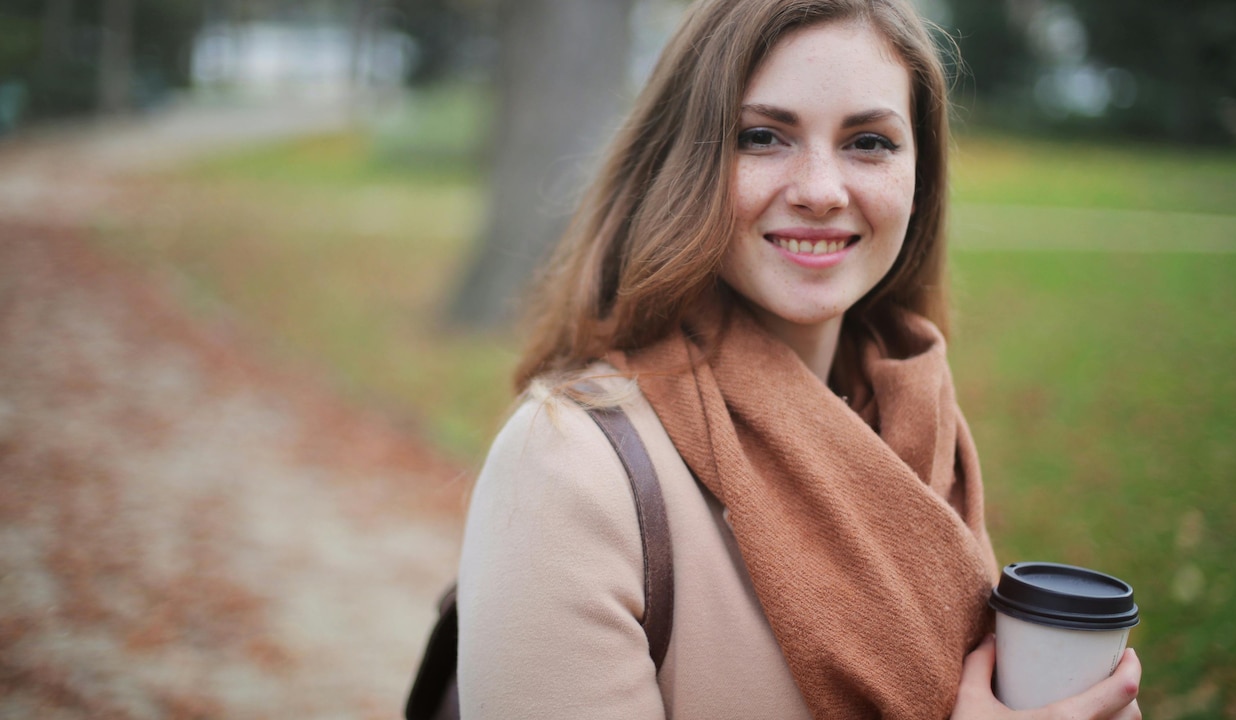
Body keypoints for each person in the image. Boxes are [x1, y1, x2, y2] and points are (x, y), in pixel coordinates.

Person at [453, 0, 1143, 718]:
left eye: (869, 142)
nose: (819, 190)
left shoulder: (918, 424)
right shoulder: (568, 465)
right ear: (681, 161)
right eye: (762, 136)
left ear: (921, 176)